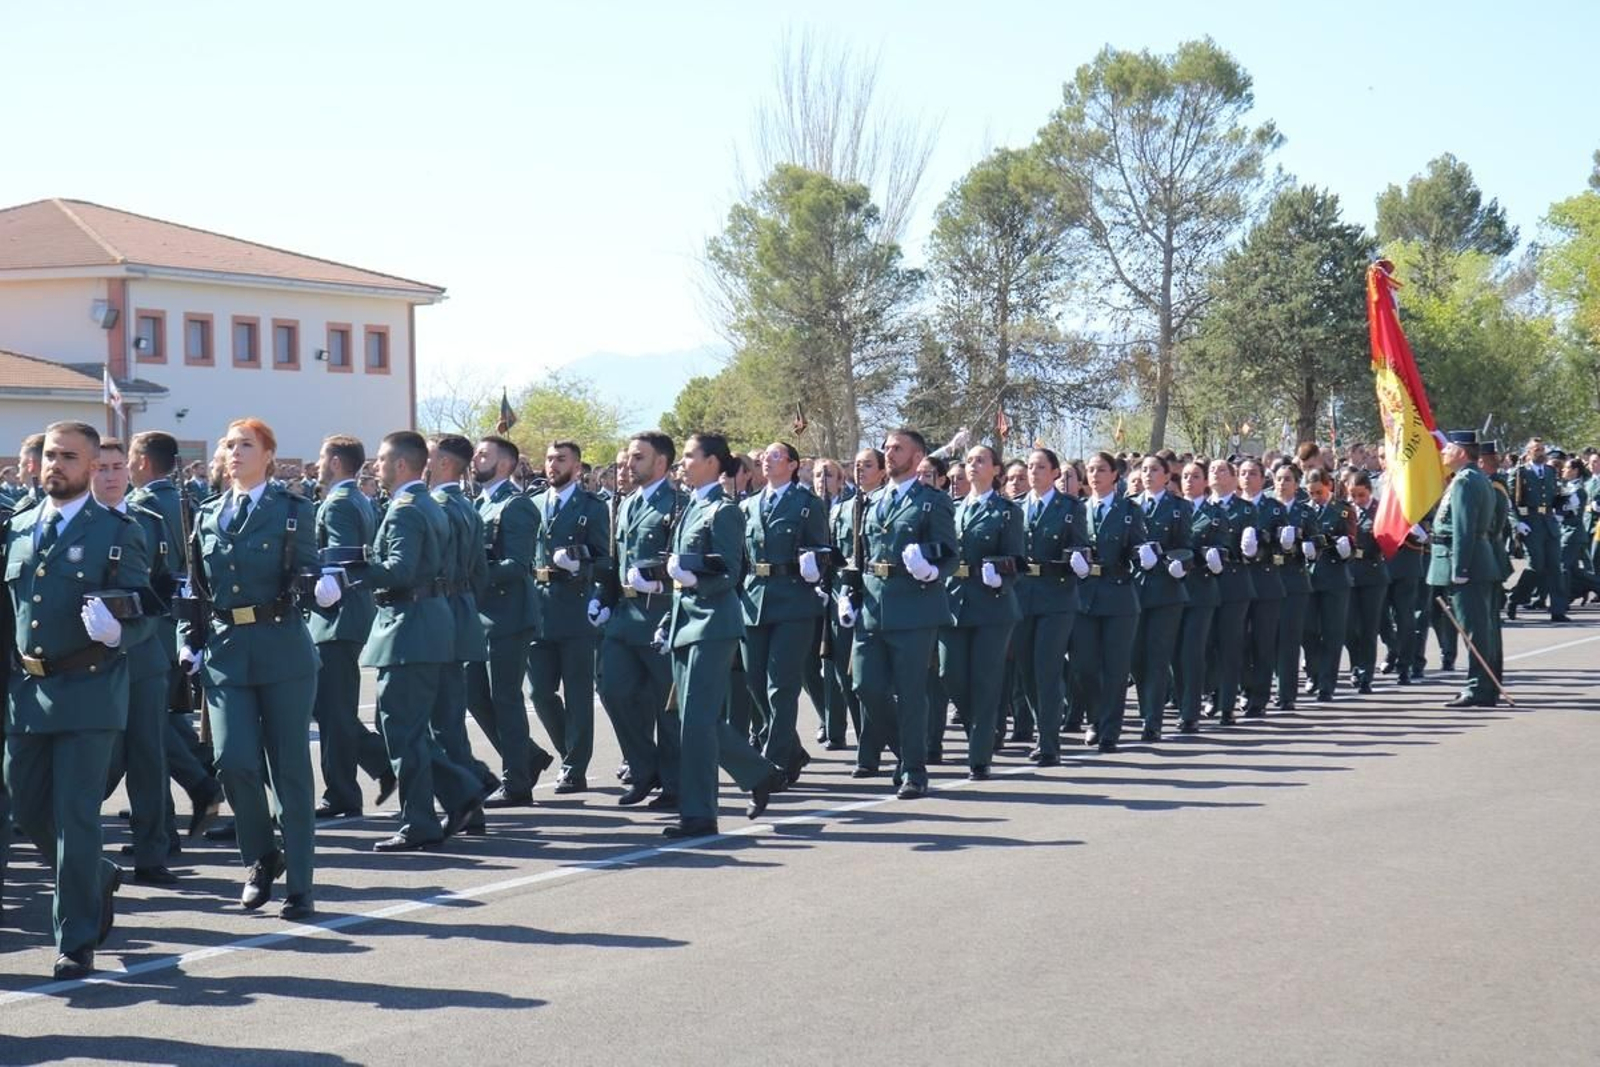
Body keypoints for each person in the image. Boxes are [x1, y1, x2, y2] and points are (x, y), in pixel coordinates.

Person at [6, 421, 155, 977]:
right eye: (49, 455)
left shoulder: (116, 532)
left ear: (92, 466)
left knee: (75, 816)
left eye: (68, 457)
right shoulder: (18, 529)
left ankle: (75, 937)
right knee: (25, 808)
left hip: (90, 688)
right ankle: (97, 875)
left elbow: (144, 607)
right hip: (27, 690)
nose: (54, 465)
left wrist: (120, 634)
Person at [179, 417, 322, 920]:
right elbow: (195, 588)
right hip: (225, 651)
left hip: (282, 648)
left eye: (245, 445)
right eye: (229, 445)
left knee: (290, 771)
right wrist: (187, 641)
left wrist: (323, 587)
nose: (234, 452)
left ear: (268, 455)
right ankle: (262, 856)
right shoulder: (206, 513)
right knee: (233, 761)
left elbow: (310, 570)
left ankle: (300, 884)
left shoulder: (291, 511)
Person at [360, 431, 484, 850]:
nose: (375, 467)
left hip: (409, 626)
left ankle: (421, 819)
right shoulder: (426, 504)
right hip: (426, 623)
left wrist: (357, 566)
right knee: (408, 727)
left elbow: (400, 571)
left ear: (400, 465)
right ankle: (459, 790)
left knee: (401, 730)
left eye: (380, 460)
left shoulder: (406, 510)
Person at [661, 432, 785, 837]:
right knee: (692, 717)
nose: (683, 464)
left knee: (696, 720)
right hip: (685, 622)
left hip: (713, 623)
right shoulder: (690, 508)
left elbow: (730, 572)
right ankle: (761, 774)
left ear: (714, 462)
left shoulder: (723, 511)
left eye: (689, 457)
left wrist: (692, 578)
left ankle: (699, 814)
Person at [849, 429, 959, 796]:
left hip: (914, 603)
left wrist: (931, 570)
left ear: (917, 457)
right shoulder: (871, 500)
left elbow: (948, 551)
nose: (889, 453)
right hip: (872, 602)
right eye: (887, 447)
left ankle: (914, 769)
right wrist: (850, 592)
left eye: (897, 448)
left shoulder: (933, 501)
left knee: (911, 692)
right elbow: (861, 553)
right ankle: (903, 750)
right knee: (865, 686)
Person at [127, 430, 225, 842]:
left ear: (144, 462)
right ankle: (164, 818)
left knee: (149, 726)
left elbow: (146, 570)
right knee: (165, 721)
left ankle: (194, 790)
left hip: (155, 626)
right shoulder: (188, 500)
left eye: (130, 459)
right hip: (181, 622)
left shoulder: (142, 507)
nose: (129, 467)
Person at [91, 438, 179, 885]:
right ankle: (77, 845)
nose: (109, 475)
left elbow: (168, 584)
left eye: (117, 466)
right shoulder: (76, 523)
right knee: (93, 758)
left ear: (130, 469)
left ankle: (151, 851)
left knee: (148, 755)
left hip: (144, 652)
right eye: (100, 467)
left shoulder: (150, 521)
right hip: (88, 658)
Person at [594, 431, 686, 808]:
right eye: (630, 458)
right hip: (624, 616)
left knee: (667, 706)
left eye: (638, 458)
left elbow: (683, 560)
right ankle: (643, 766)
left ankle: (675, 781)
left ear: (660, 462)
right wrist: (603, 596)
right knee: (612, 690)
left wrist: (656, 575)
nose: (629, 465)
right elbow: (616, 561)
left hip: (660, 614)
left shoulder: (678, 504)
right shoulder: (627, 504)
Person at [308, 435, 391, 818]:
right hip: (350, 613)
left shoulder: (340, 502)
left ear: (338, 461)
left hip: (336, 616)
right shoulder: (358, 497)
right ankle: (380, 765)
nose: (319, 462)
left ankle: (343, 791)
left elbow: (339, 558)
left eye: (324, 456)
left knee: (333, 711)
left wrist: (326, 585)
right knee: (332, 708)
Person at [468, 436, 554, 807]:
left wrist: (470, 574)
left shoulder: (515, 506)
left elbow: (517, 566)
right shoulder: (479, 503)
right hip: (480, 617)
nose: (475, 459)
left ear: (505, 464)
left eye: (484, 454)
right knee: (474, 696)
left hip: (508, 616)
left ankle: (516, 781)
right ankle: (528, 756)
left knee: (505, 699)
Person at [738, 441, 828, 786]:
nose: (767, 460)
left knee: (782, 686)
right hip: (754, 599)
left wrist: (813, 565)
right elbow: (742, 558)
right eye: (765, 456)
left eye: (776, 456)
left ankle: (774, 762)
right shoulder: (747, 506)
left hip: (793, 600)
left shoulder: (807, 504)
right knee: (753, 682)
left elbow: (823, 552)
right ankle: (791, 748)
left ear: (793, 465)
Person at [527, 440, 611, 794]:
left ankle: (575, 767)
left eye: (560, 460)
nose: (552, 465)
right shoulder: (530, 505)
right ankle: (569, 753)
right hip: (538, 605)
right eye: (548, 459)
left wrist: (581, 562)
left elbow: (605, 558)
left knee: (577, 693)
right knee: (540, 692)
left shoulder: (591, 507)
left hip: (575, 605)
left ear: (577, 468)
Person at [940, 445, 1024, 778]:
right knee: (950, 674)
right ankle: (983, 728)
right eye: (969, 460)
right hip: (953, 600)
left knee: (986, 679)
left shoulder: (1007, 511)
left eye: (980, 461)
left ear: (996, 470)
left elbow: (1017, 559)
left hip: (992, 604)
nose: (973, 465)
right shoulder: (953, 508)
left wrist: (1000, 576)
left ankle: (979, 755)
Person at [427, 434, 498, 815]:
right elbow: (480, 574)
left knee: (437, 719)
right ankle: (473, 782)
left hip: (438, 614)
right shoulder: (468, 506)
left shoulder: (437, 507)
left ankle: (467, 790)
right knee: (448, 714)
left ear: (443, 464)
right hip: (462, 611)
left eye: (429, 454)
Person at [1014, 448, 1087, 763]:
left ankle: (1048, 741)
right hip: (1021, 594)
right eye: (1030, 466)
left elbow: (1081, 543)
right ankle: (1042, 724)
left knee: (1047, 667)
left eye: (1040, 467)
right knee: (1027, 670)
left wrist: (1079, 558)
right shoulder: (1015, 507)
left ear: (1055, 472)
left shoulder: (1069, 507)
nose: (1033, 472)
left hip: (1056, 594)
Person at [1073, 451, 1144, 752]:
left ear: (1115, 474)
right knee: (1084, 665)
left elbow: (1138, 547)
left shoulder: (1129, 510)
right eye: (1090, 470)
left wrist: (1143, 556)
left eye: (1101, 469)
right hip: (1084, 593)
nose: (1095, 475)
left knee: (1115, 666)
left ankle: (1109, 728)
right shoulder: (1076, 509)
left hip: (1118, 593)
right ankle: (1094, 716)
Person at [1428, 431, 1502, 707]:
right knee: (1477, 629)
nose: (1444, 452)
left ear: (1461, 452)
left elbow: (1464, 528)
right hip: (1476, 562)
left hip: (1468, 565)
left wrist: (1460, 568)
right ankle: (1481, 686)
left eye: (1448, 448)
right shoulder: (1472, 478)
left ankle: (1478, 688)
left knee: (1474, 630)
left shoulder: (1465, 482)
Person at [823, 448, 884, 753]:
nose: (860, 470)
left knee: (869, 678)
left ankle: (873, 743)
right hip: (843, 596)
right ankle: (863, 737)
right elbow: (834, 552)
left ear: (883, 471)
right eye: (857, 465)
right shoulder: (840, 510)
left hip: (875, 596)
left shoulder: (885, 504)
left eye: (868, 465)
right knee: (843, 674)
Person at [1129, 453, 1190, 741]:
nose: (1149, 474)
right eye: (1144, 470)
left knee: (1157, 655)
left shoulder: (1178, 507)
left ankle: (1152, 720)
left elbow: (1186, 546)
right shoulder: (1129, 507)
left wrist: (1174, 562)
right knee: (1136, 657)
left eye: (1155, 470)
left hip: (1166, 590)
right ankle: (1145, 710)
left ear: (1167, 476)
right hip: (1134, 589)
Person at [1205, 459, 1258, 723]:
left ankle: (1227, 703)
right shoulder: (1201, 508)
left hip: (1234, 581)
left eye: (1222, 470)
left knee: (1229, 644)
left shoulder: (1246, 510)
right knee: (1206, 644)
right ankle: (1212, 693)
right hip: (1205, 583)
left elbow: (1252, 548)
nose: (1216, 473)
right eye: (1212, 470)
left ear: (1234, 477)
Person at [1175, 460, 1224, 731]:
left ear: (1205, 482)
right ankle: (1181, 699)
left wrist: (1215, 557)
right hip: (1173, 589)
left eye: (1195, 476)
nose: (1189, 481)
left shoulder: (1214, 513)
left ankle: (1190, 710)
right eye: (1185, 476)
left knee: (1192, 650)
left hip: (1201, 589)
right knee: (1174, 652)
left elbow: (1222, 546)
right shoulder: (1173, 509)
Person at [1238, 457, 1288, 717]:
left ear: (1262, 478)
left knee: (1263, 641)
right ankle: (1245, 687)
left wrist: (1269, 539)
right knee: (1240, 640)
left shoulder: (1274, 508)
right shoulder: (1231, 507)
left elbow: (1282, 544)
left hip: (1265, 579)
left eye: (1253, 473)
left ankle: (1260, 695)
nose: (1247, 477)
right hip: (1238, 581)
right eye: (1243, 473)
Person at [1302, 468, 1356, 703]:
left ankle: (1327, 683)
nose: (1315, 497)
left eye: (1319, 492)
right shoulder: (1303, 511)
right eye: (1311, 493)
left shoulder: (1343, 511)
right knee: (1309, 631)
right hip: (1309, 577)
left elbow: (1351, 542)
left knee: (1333, 633)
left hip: (1335, 577)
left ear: (1329, 487)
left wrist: (1346, 546)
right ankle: (1313, 673)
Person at [1507, 438, 1569, 621]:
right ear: (1528, 452)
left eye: (1542, 449)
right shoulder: (1519, 473)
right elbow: (1509, 502)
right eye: (1536, 449)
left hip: (1549, 522)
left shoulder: (1550, 472)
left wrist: (1563, 506)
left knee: (1555, 567)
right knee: (1536, 566)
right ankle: (1515, 598)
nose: (1540, 452)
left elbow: (1555, 496)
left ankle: (1558, 610)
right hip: (1531, 523)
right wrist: (1517, 522)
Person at [1272, 463, 1315, 710]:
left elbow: (1316, 541)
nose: (1282, 483)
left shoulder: (1305, 512)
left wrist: (1308, 547)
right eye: (1278, 479)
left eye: (1287, 479)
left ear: (1296, 484)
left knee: (1289, 637)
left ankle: (1286, 693)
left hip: (1295, 577)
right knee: (1268, 637)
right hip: (1270, 576)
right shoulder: (1267, 508)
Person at [1342, 471, 1389, 695]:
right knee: (1350, 627)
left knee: (1369, 628)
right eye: (1352, 495)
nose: (1356, 500)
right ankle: (1354, 665)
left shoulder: (1380, 510)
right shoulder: (1344, 510)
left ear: (1369, 491)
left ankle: (1365, 673)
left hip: (1372, 574)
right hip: (1349, 574)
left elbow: (1385, 541)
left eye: (1360, 495)